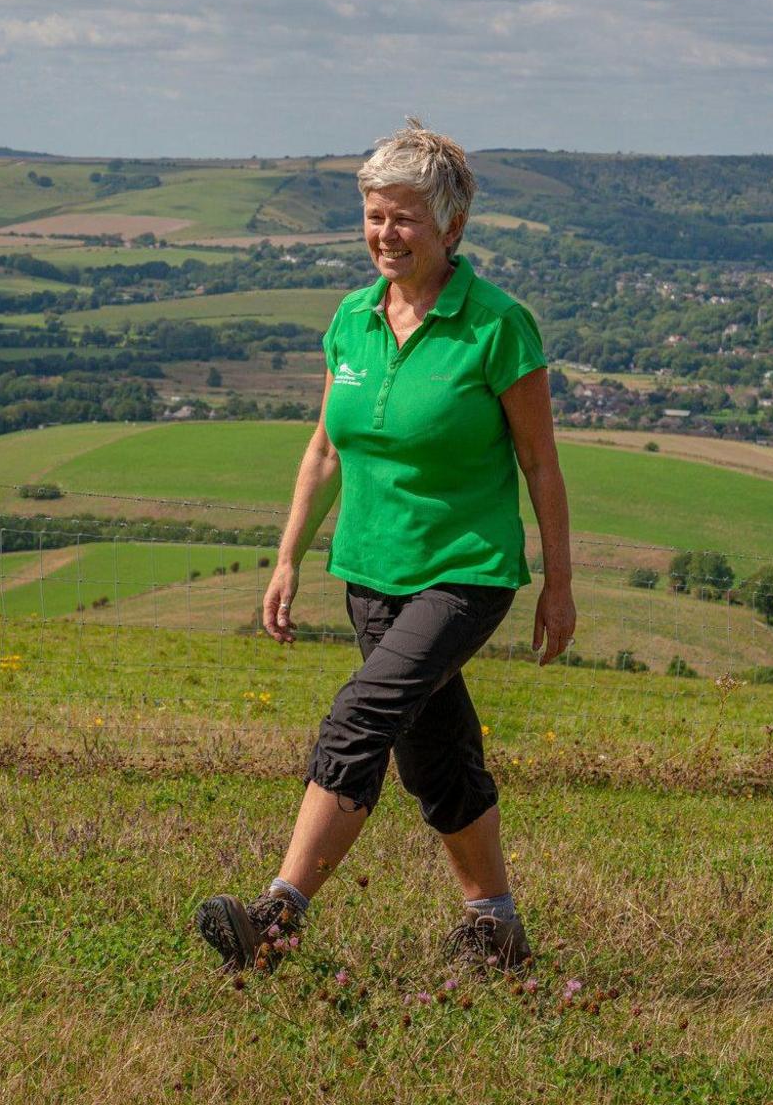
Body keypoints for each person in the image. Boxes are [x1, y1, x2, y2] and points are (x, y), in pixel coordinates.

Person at [194, 120, 576, 976]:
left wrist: (558, 583)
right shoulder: (351, 321)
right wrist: (289, 556)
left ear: (451, 228)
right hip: (368, 570)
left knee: (359, 717)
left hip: (466, 571)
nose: (385, 235)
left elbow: (541, 465)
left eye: (404, 218)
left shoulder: (498, 327)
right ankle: (495, 928)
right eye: (374, 216)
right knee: (436, 754)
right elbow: (325, 448)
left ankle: (276, 916)